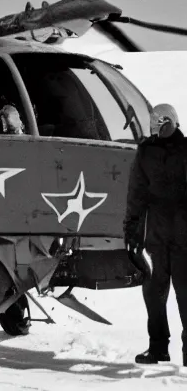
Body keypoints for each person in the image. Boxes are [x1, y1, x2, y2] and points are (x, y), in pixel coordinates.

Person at [124, 103, 187, 365]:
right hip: (155, 239)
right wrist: (131, 229)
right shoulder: (145, 151)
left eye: (158, 121)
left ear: (169, 122)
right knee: (154, 295)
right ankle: (158, 347)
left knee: (186, 296)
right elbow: (136, 193)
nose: (154, 126)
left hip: (185, 239)